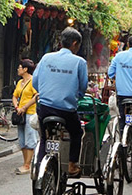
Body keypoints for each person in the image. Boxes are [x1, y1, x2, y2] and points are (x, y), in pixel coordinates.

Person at [33, 27, 88, 177]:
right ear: (75, 43)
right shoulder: (79, 62)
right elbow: (83, 87)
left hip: (44, 108)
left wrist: (45, 93)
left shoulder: (46, 58)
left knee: (44, 136)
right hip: (66, 110)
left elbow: (35, 83)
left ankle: (40, 168)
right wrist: (78, 95)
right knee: (76, 133)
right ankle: (71, 165)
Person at [12, 59, 39, 175]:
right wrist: (17, 107)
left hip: (30, 113)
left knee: (30, 139)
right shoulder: (19, 82)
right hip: (20, 114)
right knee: (22, 140)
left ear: (25, 69)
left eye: (20, 67)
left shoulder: (33, 81)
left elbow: (36, 96)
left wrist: (25, 107)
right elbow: (14, 95)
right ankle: (25, 163)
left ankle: (28, 165)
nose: (18, 69)